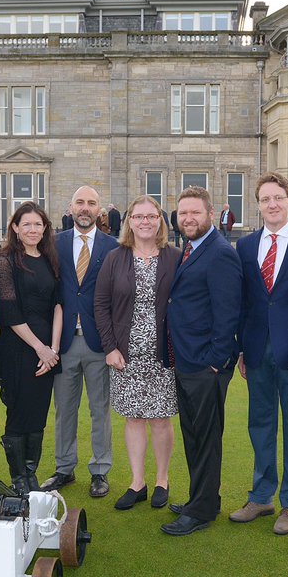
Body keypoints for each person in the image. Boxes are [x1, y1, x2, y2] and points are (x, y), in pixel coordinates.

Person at [233, 173, 288, 534]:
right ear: (258, 204)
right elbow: (244, 301)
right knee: (260, 424)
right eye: (265, 199)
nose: (272, 204)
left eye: (278, 198)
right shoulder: (246, 245)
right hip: (255, 348)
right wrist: (240, 347)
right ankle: (262, 495)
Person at [161, 185, 242, 536]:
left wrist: (214, 361)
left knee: (206, 438)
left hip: (205, 365)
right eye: (183, 213)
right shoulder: (190, 249)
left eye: (195, 212)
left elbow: (228, 312)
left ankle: (202, 510)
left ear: (211, 214)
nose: (188, 218)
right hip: (186, 360)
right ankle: (201, 497)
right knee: (193, 434)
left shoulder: (220, 252)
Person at [94, 196, 180, 510]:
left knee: (159, 419)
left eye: (151, 216)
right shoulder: (116, 258)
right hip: (125, 355)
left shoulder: (175, 257)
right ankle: (137, 482)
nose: (145, 222)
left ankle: (161, 479)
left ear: (160, 221)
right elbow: (100, 305)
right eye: (138, 217)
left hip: (162, 355)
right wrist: (110, 348)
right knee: (133, 418)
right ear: (129, 221)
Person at [45, 186, 116, 498]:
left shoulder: (113, 247)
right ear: (69, 207)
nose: (85, 208)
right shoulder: (54, 244)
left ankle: (100, 470)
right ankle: (64, 468)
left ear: (99, 210)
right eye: (80, 202)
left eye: (91, 203)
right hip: (63, 343)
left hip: (98, 342)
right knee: (64, 410)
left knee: (100, 409)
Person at [0, 202, 63, 493]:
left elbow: (59, 305)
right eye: (26, 225)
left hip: (48, 350)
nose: (32, 229)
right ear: (15, 228)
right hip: (19, 347)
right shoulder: (6, 259)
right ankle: (18, 478)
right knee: (18, 413)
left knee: (38, 413)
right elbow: (9, 311)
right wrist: (40, 348)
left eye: (38, 224)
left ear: (45, 228)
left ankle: (31, 474)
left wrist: (53, 350)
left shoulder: (50, 258)